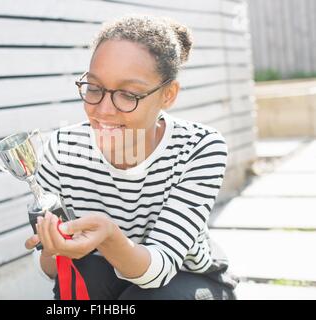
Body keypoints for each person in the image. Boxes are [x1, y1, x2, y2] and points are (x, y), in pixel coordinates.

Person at [25, 14, 239, 300]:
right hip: (105, 270)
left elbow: (162, 267)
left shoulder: (198, 147)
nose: (104, 109)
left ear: (168, 95)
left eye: (128, 94)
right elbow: (52, 270)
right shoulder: (62, 148)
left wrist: (111, 237)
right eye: (95, 88)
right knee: (80, 281)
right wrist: (55, 249)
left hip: (187, 277)